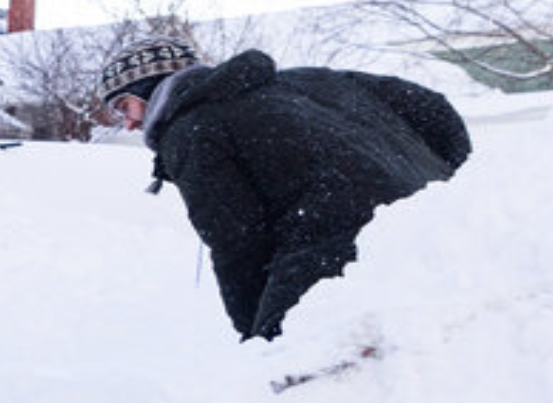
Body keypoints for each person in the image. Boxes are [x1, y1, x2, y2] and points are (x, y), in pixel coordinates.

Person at [100, 35, 471, 342]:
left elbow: (238, 242)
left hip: (336, 249)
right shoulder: (306, 79)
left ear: (148, 89)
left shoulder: (191, 130)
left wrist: (256, 337)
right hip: (441, 233)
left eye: (123, 106)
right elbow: (430, 108)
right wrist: (448, 179)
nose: (128, 124)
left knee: (289, 372)